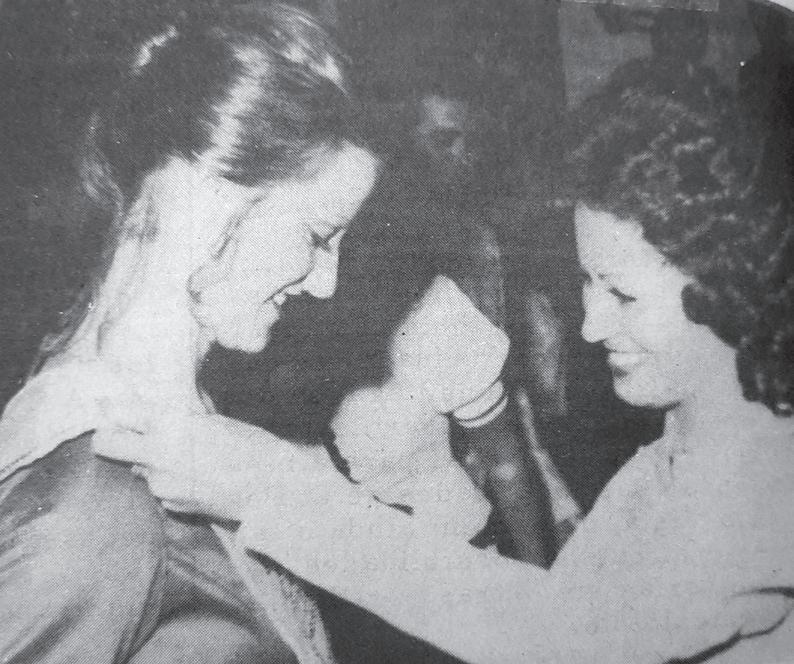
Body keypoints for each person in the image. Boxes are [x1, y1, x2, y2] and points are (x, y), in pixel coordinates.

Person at [100, 65, 794, 664]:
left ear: (732, 280)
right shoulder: (692, 436)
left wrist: (272, 494)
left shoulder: (767, 479)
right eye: (587, 281)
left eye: (625, 294)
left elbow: (569, 637)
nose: (590, 324)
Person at [0, 5, 382, 663]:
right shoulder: (102, 500)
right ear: (210, 201)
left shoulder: (180, 438)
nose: (326, 284)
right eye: (319, 237)